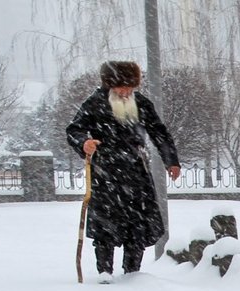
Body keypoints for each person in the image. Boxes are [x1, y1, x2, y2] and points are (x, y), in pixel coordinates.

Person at [66, 61, 181, 279]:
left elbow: (159, 133)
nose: (126, 92)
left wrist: (171, 161)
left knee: (136, 223)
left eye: (130, 88)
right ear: (110, 85)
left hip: (136, 172)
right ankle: (104, 271)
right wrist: (84, 143)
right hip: (105, 172)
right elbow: (74, 129)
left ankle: (132, 272)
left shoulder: (141, 104)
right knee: (105, 225)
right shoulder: (95, 103)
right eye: (121, 87)